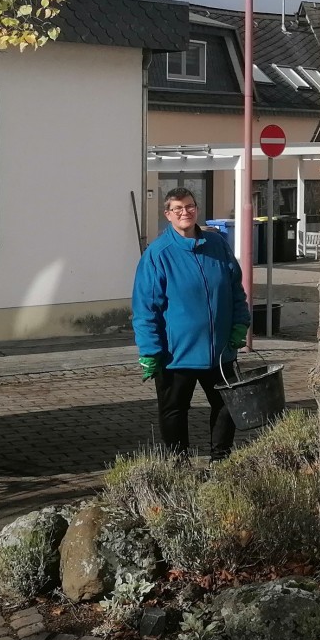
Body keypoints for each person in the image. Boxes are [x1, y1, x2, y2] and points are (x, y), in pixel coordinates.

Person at [132, 187, 251, 462]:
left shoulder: (217, 245)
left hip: (219, 351)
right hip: (176, 355)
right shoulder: (158, 254)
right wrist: (149, 351)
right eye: (178, 209)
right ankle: (178, 462)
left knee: (225, 405)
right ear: (168, 215)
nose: (185, 212)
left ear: (196, 209)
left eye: (189, 206)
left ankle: (220, 460)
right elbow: (145, 308)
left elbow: (235, 291)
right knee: (174, 410)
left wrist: (239, 325)